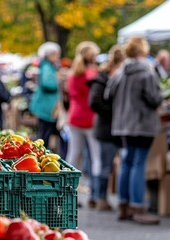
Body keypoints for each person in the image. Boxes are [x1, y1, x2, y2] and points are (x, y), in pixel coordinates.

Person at [109, 36, 162, 225]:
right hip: (142, 124)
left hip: (123, 124)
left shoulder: (119, 72)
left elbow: (109, 95)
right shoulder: (147, 72)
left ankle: (124, 206)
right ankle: (138, 206)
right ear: (142, 51)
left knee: (127, 162)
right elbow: (155, 98)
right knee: (138, 163)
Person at [87, 45, 125, 211]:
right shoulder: (103, 78)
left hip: (116, 128)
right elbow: (94, 102)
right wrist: (114, 112)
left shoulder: (114, 76)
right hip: (106, 128)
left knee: (108, 165)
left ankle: (98, 197)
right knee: (105, 166)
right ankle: (100, 198)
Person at [65, 41, 102, 208]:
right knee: (96, 156)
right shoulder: (92, 75)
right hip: (91, 119)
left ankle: (68, 191)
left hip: (74, 117)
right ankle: (95, 193)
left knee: (73, 156)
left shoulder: (72, 74)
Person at [29, 42, 61, 150]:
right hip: (46, 106)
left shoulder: (47, 66)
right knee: (44, 136)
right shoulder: (47, 67)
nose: (57, 57)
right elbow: (48, 84)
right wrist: (59, 82)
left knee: (44, 134)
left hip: (46, 105)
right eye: (56, 54)